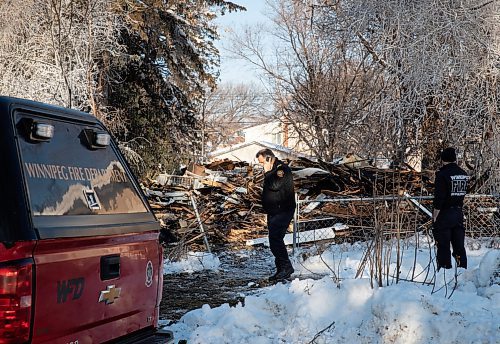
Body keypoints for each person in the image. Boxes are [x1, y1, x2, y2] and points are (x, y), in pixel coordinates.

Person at [256, 148, 296, 281]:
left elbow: (274, 185)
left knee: (275, 239)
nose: (262, 166)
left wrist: (267, 172)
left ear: (269, 158)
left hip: (283, 210)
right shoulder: (273, 171)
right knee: (275, 240)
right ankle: (281, 269)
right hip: (274, 211)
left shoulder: (281, 170)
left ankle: (286, 267)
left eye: (262, 162)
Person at [432, 147, 469, 271]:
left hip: (445, 213)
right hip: (458, 212)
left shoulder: (442, 175)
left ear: (443, 159)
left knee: (443, 245)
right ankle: (462, 269)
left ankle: (444, 270)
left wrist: (435, 214)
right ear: (454, 159)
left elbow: (439, 197)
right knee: (459, 245)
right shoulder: (463, 174)